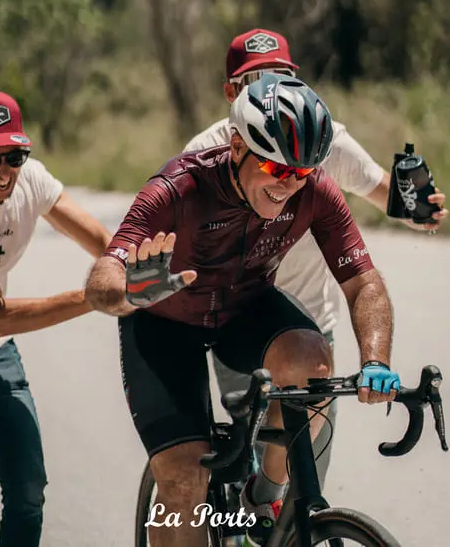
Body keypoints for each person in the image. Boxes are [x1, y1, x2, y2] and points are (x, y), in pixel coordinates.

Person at [85, 74, 402, 547]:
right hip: (163, 326)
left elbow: (363, 282)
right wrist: (131, 292)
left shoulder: (313, 190)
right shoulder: (178, 187)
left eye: (302, 172)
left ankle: (264, 498)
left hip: (243, 309)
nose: (291, 184)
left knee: (311, 359)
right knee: (184, 481)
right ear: (237, 147)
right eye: (277, 170)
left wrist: (376, 359)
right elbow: (100, 283)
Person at [183, 28, 448, 490]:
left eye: (282, 76)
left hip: (311, 327)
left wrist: (421, 211)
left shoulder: (326, 140)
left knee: (306, 490)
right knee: (252, 471)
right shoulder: (204, 154)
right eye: (255, 79)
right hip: (240, 316)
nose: (271, 88)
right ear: (230, 92)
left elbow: (387, 195)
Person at [0, 89, 113, 547]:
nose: (5, 171)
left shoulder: (31, 181)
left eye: (15, 154)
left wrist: (139, 271)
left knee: (27, 492)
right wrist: (93, 297)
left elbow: (104, 243)